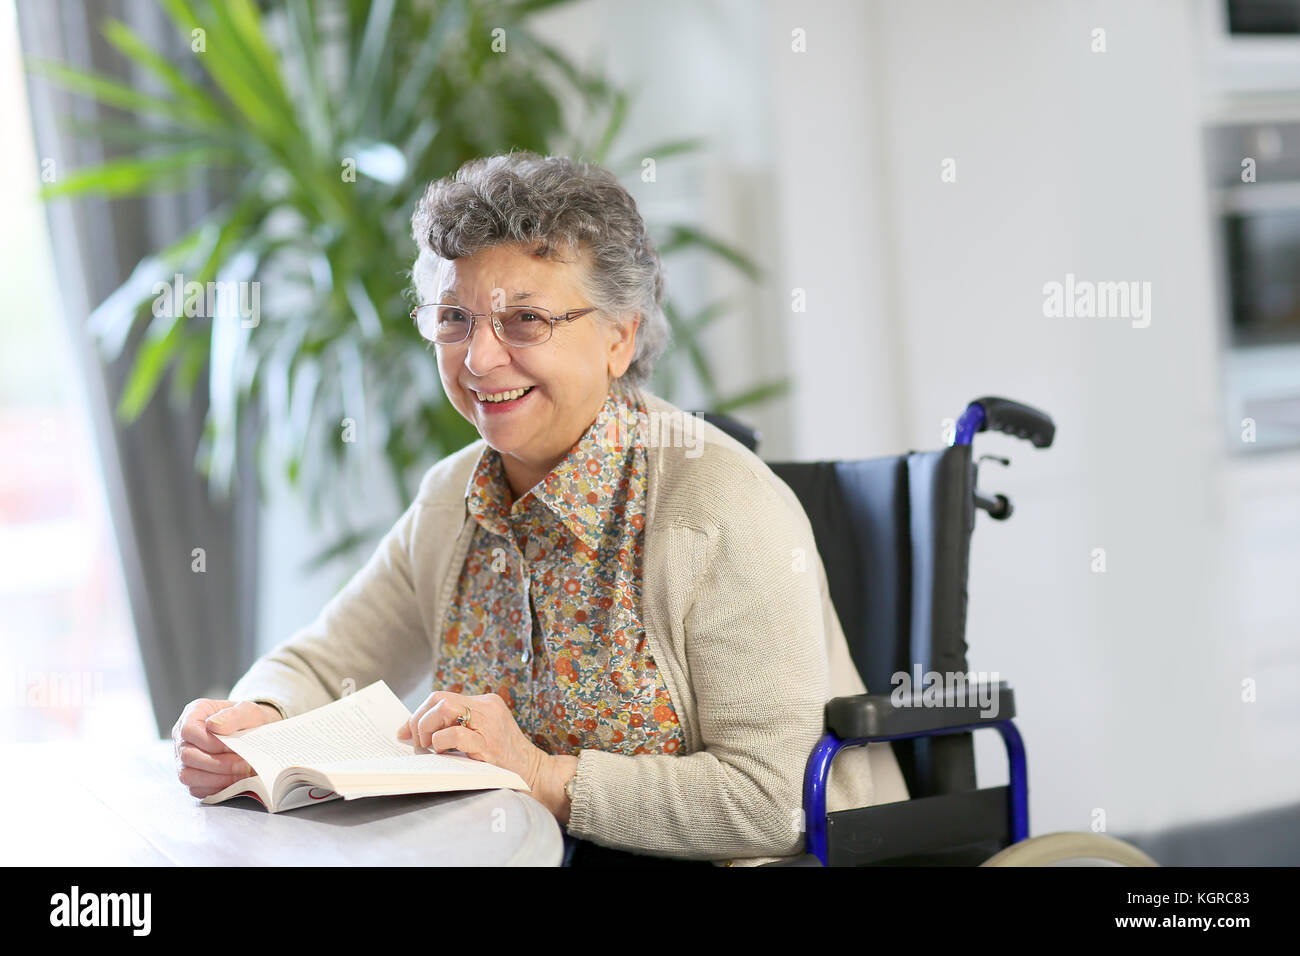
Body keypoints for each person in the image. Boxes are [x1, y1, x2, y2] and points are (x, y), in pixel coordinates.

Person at [171, 149, 908, 866]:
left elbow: (770, 803)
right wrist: (255, 721)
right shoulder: (451, 500)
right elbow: (324, 661)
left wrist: (544, 776)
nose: (480, 358)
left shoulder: (719, 506)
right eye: (455, 318)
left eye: (524, 320)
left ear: (620, 337)